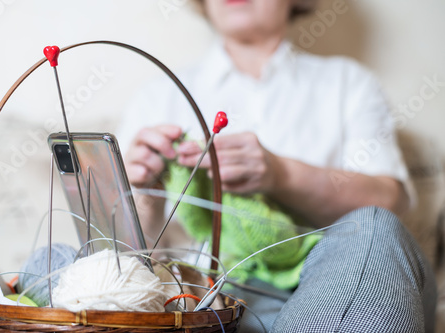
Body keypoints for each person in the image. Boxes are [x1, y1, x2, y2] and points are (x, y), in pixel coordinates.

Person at [118, 0, 436, 331]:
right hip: (208, 303)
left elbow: (386, 204)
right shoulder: (158, 96)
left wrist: (280, 174)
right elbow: (122, 260)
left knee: (373, 226)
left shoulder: (348, 84)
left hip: (337, 289)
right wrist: (143, 197)